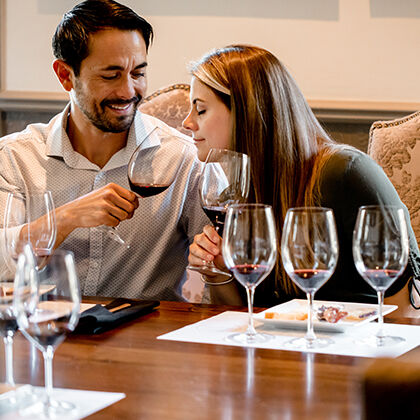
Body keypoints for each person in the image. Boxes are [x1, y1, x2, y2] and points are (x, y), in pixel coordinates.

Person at [183, 44, 420, 316]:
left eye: (200, 110)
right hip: (277, 351)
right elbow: (241, 317)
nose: (187, 122)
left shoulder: (345, 174)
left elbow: (405, 309)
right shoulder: (235, 190)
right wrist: (219, 270)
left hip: (355, 351)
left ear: (246, 113)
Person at [0, 0, 207, 301]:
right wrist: (66, 218)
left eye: (137, 73)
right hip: (44, 334)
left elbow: (219, 274)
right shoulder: (14, 157)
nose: (127, 91)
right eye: (110, 76)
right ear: (65, 76)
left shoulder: (183, 159)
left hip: (146, 341)